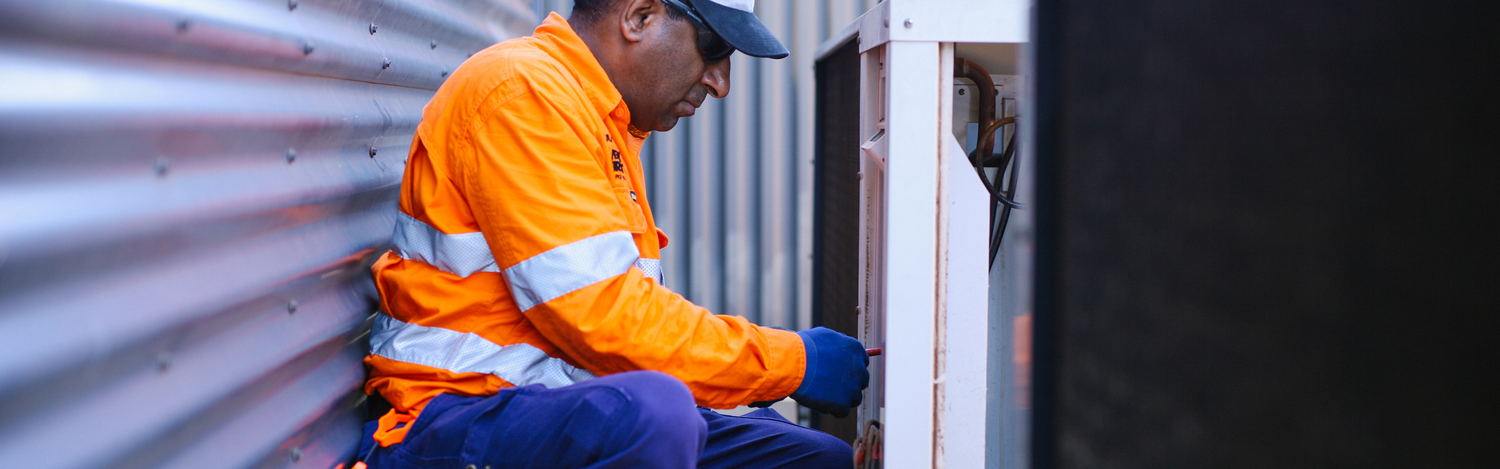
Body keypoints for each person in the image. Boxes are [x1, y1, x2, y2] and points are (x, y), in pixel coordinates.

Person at [354, 0, 871, 467]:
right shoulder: (522, 91)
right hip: (453, 419)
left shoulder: (601, 123)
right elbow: (605, 319)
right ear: (639, 16)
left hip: (552, 409)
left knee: (807, 457)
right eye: (714, 48)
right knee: (659, 414)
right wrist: (786, 363)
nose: (721, 82)